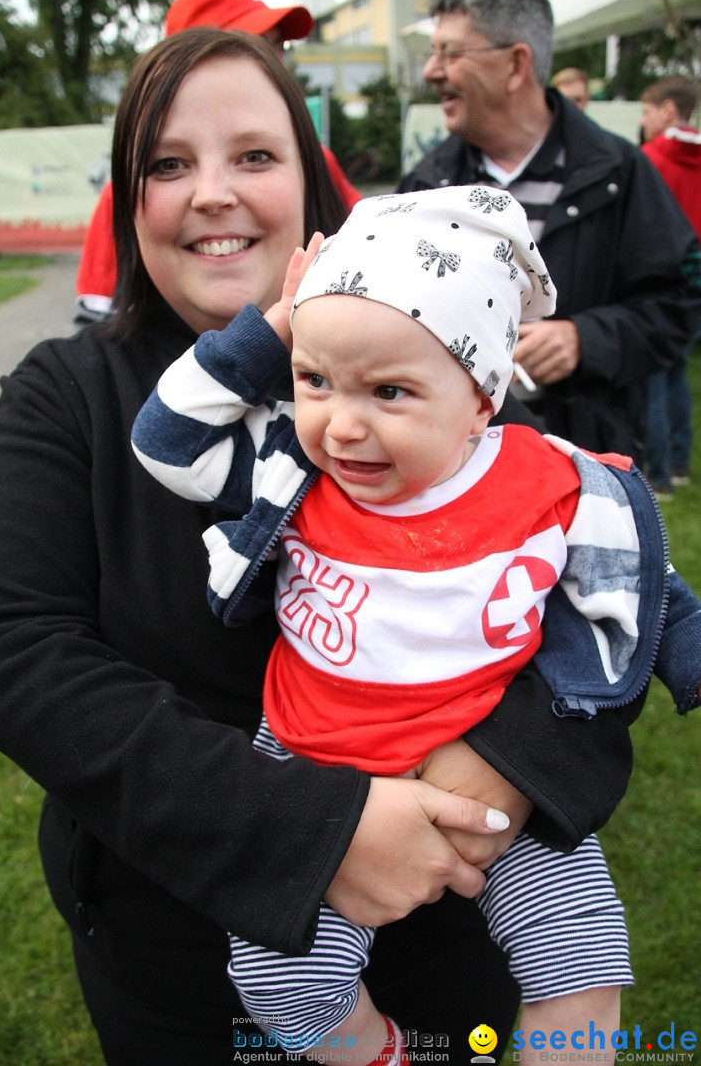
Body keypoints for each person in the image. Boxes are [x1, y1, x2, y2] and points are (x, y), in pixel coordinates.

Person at [0, 27, 649, 1066]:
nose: (212, 192)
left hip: (450, 920)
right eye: (167, 163)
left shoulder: (447, 379)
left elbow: (596, 615)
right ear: (128, 200)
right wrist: (316, 830)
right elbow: (15, 652)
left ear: (310, 184)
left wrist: (506, 763)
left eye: (254, 155)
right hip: (174, 960)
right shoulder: (65, 397)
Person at [132, 186, 701, 1064]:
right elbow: (167, 439)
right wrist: (278, 323)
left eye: (389, 390)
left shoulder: (548, 482)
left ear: (480, 398)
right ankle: (384, 1055)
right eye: (314, 379)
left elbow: (647, 592)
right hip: (310, 761)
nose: (343, 423)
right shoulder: (296, 466)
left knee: (577, 956)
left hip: (485, 759)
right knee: (280, 982)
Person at [398, 0, 701, 460]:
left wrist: (586, 339)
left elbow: (678, 302)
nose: (431, 71)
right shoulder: (427, 182)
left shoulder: (618, 172)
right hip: (451, 467)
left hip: (581, 462)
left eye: (449, 53)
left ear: (516, 64)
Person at [74, 0, 361, 324]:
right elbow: (99, 317)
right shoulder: (128, 193)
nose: (273, 60)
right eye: (168, 166)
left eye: (256, 157)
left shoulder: (319, 159)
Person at [640, 75, 701, 496]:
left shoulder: (647, 160)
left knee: (653, 377)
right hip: (696, 280)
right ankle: (680, 461)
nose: (642, 121)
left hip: (659, 279)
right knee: (676, 371)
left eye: (645, 111)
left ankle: (657, 475)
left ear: (667, 110)